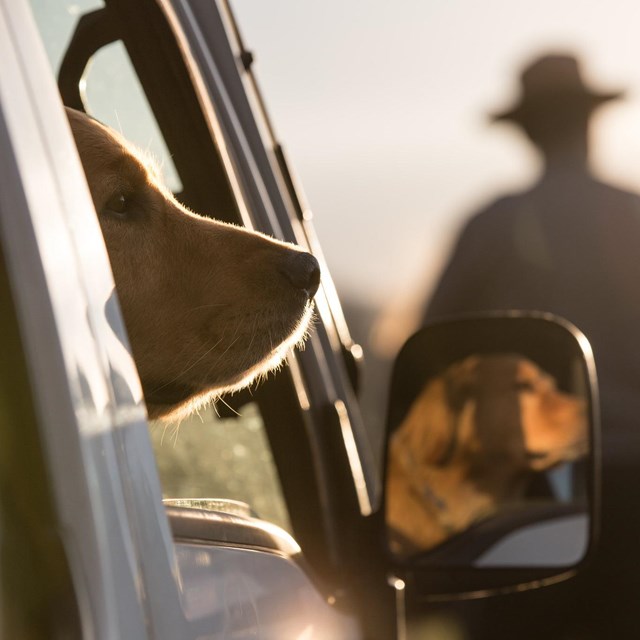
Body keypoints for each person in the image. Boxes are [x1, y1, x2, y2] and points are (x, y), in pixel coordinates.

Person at [422, 52, 640, 639]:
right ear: (590, 122)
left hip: (525, 491)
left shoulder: (493, 224)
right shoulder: (633, 214)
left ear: (528, 132)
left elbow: (434, 348)